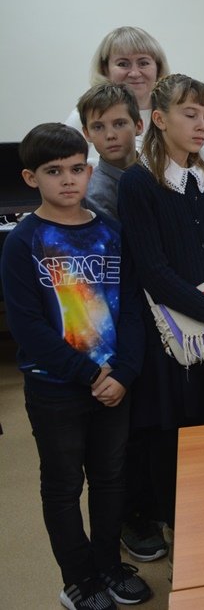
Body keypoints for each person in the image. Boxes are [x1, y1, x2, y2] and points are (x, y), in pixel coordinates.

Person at [1, 124, 152, 609]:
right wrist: (89, 374)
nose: (68, 180)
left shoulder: (110, 231)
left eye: (76, 169)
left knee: (111, 479)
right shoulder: (23, 242)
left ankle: (108, 565)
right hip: (56, 389)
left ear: (88, 171)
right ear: (31, 177)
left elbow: (132, 308)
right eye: (54, 171)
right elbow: (27, 327)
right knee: (64, 486)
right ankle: (79, 580)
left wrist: (123, 373)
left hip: (113, 386)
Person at [117, 74, 204, 541]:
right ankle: (181, 531)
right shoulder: (139, 183)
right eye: (190, 114)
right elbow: (154, 272)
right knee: (172, 435)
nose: (201, 125)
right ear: (159, 119)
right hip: (171, 333)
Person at [64, 26, 204, 166]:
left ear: (158, 67)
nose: (135, 73)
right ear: (105, 69)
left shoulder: (174, 112)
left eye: (143, 63)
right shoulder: (85, 115)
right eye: (123, 64)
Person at [77, 82, 143, 220]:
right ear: (87, 133)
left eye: (119, 124)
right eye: (98, 127)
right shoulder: (96, 194)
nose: (110, 135)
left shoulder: (161, 172)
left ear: (138, 125)